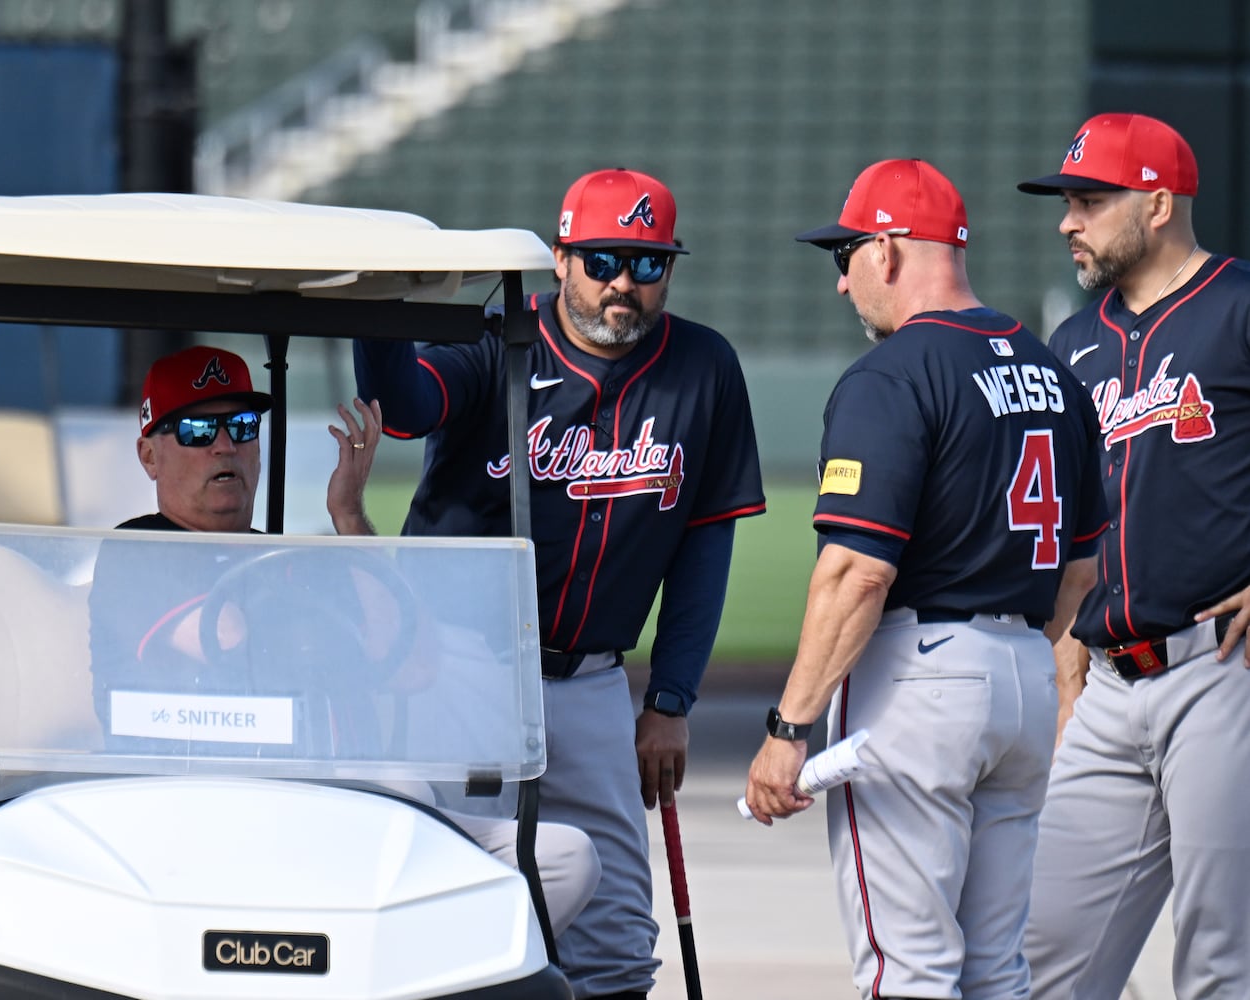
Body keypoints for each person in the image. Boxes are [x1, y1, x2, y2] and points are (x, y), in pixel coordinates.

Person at [354, 167, 766, 999]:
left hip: (591, 681)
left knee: (615, 934)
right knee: (439, 897)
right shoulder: (496, 337)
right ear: (561, 260)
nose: (624, 284)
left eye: (648, 265)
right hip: (453, 666)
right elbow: (401, 405)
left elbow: (702, 545)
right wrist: (383, 298)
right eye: (604, 260)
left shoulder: (702, 366)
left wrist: (672, 701)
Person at [743, 159, 1108, 1000]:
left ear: (887, 250)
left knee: (906, 971)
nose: (841, 285)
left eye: (845, 259)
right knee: (994, 971)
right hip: (1021, 673)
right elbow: (1080, 569)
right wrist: (1025, 670)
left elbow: (855, 570)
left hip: (920, 681)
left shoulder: (894, 372)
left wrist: (788, 729)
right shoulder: (1048, 367)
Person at [88, 343, 600, 935]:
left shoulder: (291, 558)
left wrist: (349, 519)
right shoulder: (138, 551)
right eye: (200, 429)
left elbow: (413, 665)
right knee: (404, 793)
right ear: (149, 454)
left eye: (242, 425)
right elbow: (230, 641)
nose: (225, 445)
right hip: (209, 817)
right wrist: (325, 602)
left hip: (339, 806)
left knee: (564, 859)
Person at [1016, 112, 1250, 999]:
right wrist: (1066, 674)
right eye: (1067, 201)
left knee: (1219, 961)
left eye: (1087, 200)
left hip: (1218, 672)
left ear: (1156, 204)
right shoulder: (1071, 346)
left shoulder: (1235, 308)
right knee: (1042, 961)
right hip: (1108, 688)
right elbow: (1074, 532)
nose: (1066, 221)